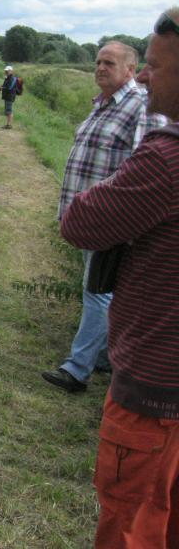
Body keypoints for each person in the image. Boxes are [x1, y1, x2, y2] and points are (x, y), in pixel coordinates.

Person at [60, 8, 179, 549]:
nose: (146, 77)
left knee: (131, 522)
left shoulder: (166, 158)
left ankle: (81, 364)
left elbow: (81, 222)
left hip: (156, 385)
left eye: (156, 65)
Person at [42, 42, 168, 393]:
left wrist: (114, 214)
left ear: (131, 69)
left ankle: (77, 370)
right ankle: (104, 357)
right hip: (90, 219)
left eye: (109, 63)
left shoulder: (140, 105)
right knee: (103, 291)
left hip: (111, 220)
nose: (100, 68)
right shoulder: (103, 104)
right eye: (98, 61)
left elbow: (146, 167)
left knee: (97, 292)